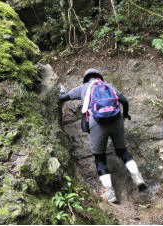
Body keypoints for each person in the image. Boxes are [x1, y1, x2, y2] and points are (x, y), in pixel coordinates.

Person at [59, 68, 146, 204]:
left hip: (97, 123)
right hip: (116, 120)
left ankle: (110, 192)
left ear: (86, 78)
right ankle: (137, 177)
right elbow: (125, 101)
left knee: (100, 158)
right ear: (99, 77)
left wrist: (62, 91)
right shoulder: (109, 86)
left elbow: (62, 98)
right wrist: (125, 115)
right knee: (122, 151)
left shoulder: (84, 87)